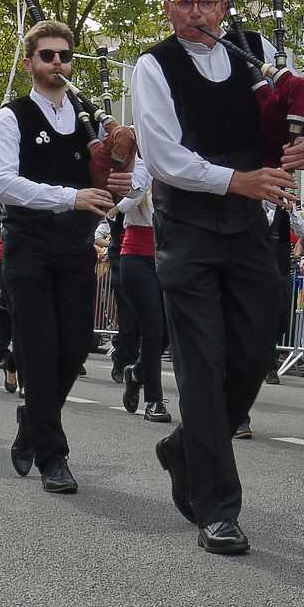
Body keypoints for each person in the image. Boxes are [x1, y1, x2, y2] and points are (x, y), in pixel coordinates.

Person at [134, 0, 304, 556]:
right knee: (200, 366)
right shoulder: (152, 66)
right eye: (184, 3)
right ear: (169, 8)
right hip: (187, 230)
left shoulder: (256, 50)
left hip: (250, 226)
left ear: (223, 5)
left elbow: (302, 113)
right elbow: (163, 157)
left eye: (206, 2)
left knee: (255, 349)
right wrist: (235, 180)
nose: (196, 13)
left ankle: (186, 447)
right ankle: (218, 508)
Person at [0, 21, 123, 487]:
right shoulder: (13, 116)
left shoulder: (90, 116)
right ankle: (53, 454)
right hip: (28, 244)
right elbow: (3, 183)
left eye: (64, 55)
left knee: (73, 346)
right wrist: (70, 197)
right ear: (29, 63)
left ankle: (33, 421)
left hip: (75, 244)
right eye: (47, 56)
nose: (57, 64)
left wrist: (120, 186)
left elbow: (122, 180)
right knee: (41, 348)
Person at [114, 154, 173, 424]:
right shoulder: (138, 166)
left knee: (168, 330)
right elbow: (129, 202)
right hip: (136, 255)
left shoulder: (173, 163)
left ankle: (137, 372)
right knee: (152, 327)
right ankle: (154, 400)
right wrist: (148, 172)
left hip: (168, 255)